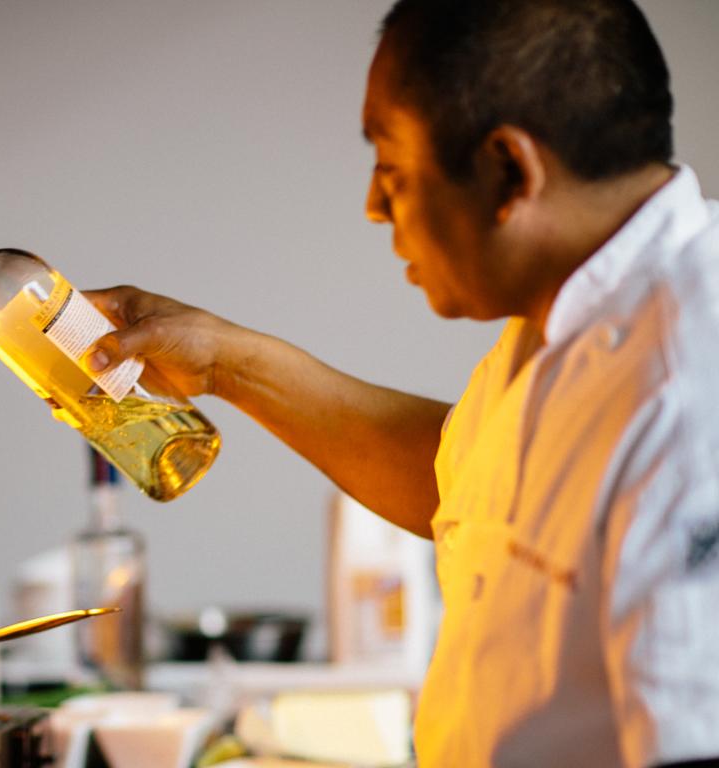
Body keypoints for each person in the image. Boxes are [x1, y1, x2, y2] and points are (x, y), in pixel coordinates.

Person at [85, 1, 719, 766]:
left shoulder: (688, 385)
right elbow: (463, 484)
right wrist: (221, 361)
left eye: (391, 168)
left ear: (508, 171)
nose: (373, 206)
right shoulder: (568, 320)